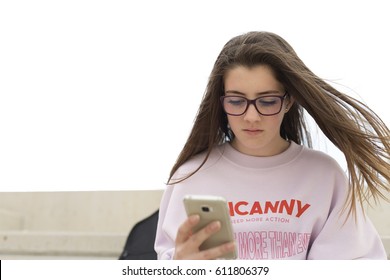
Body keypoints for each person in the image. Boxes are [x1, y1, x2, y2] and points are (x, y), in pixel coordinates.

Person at [154, 31, 390, 260]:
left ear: (289, 101)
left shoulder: (324, 176)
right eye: (236, 101)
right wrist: (180, 267)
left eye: (267, 101)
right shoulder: (190, 176)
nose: (251, 117)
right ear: (221, 101)